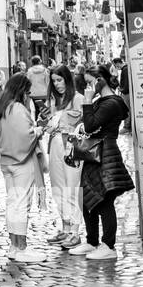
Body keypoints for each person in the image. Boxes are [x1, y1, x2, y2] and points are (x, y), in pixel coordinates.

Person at [69, 65, 134, 260]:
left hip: (105, 154)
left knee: (104, 200)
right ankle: (91, 241)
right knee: (87, 196)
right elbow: (87, 124)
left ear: (100, 79)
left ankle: (108, 245)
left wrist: (87, 102)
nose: (88, 86)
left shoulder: (111, 103)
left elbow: (91, 124)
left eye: (90, 82)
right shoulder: (103, 101)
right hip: (94, 153)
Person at [0, 73, 48, 263]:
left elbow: (0, 135)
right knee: (22, 204)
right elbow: (26, 136)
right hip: (22, 162)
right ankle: (21, 247)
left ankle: (13, 246)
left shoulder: (0, 107)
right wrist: (39, 130)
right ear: (22, 90)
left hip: (6, 161)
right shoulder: (17, 108)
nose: (29, 95)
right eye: (28, 91)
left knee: (12, 203)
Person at [41, 66, 84, 249]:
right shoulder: (53, 102)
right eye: (54, 81)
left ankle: (75, 231)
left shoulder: (79, 99)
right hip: (55, 146)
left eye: (60, 80)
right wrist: (45, 120)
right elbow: (46, 125)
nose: (57, 84)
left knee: (72, 187)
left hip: (72, 148)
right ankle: (65, 227)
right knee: (58, 187)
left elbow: (84, 125)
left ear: (68, 79)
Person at [26, 55, 51, 120]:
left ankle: (37, 122)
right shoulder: (45, 70)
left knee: (36, 109)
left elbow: (28, 82)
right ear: (40, 61)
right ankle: (44, 122)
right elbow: (48, 82)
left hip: (33, 94)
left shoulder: (30, 71)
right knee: (43, 109)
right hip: (43, 93)